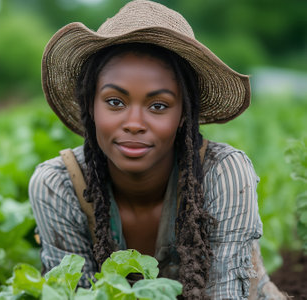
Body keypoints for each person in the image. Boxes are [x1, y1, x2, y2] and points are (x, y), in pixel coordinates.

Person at [29, 1, 286, 298]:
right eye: (115, 102)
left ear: (183, 116)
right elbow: (72, 293)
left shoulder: (225, 175)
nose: (134, 123)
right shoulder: (58, 185)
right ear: (91, 106)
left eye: (158, 106)